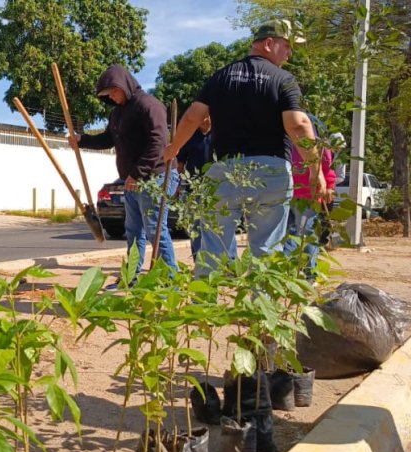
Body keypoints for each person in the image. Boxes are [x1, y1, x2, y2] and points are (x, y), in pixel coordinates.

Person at [162, 19, 327, 274]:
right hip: (271, 174)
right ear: (269, 43)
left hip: (223, 172)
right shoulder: (283, 79)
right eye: (287, 46)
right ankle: (260, 312)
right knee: (266, 250)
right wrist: (316, 172)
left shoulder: (220, 77)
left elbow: (193, 116)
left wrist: (173, 149)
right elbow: (297, 124)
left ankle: (205, 309)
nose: (290, 53)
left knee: (212, 248)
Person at [69, 64, 178, 288]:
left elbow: (158, 143)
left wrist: (137, 174)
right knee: (133, 231)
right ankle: (130, 279)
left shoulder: (148, 105)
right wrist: (83, 140)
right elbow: (108, 139)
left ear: (124, 84)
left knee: (155, 229)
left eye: (114, 91)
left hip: (155, 176)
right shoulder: (117, 113)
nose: (113, 97)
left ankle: (171, 281)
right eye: (108, 94)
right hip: (133, 181)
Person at [282, 114, 336, 279]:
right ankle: (289, 271)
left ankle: (308, 273)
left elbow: (327, 168)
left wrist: (330, 187)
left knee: (303, 233)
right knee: (293, 235)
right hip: (288, 195)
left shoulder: (319, 147)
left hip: (308, 196)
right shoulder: (288, 144)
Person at [176, 115, 212, 256]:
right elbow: (180, 164)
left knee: (216, 227)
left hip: (215, 189)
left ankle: (222, 264)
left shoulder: (219, 135)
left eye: (205, 115)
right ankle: (199, 261)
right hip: (194, 189)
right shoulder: (189, 136)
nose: (202, 118)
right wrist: (177, 184)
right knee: (196, 227)